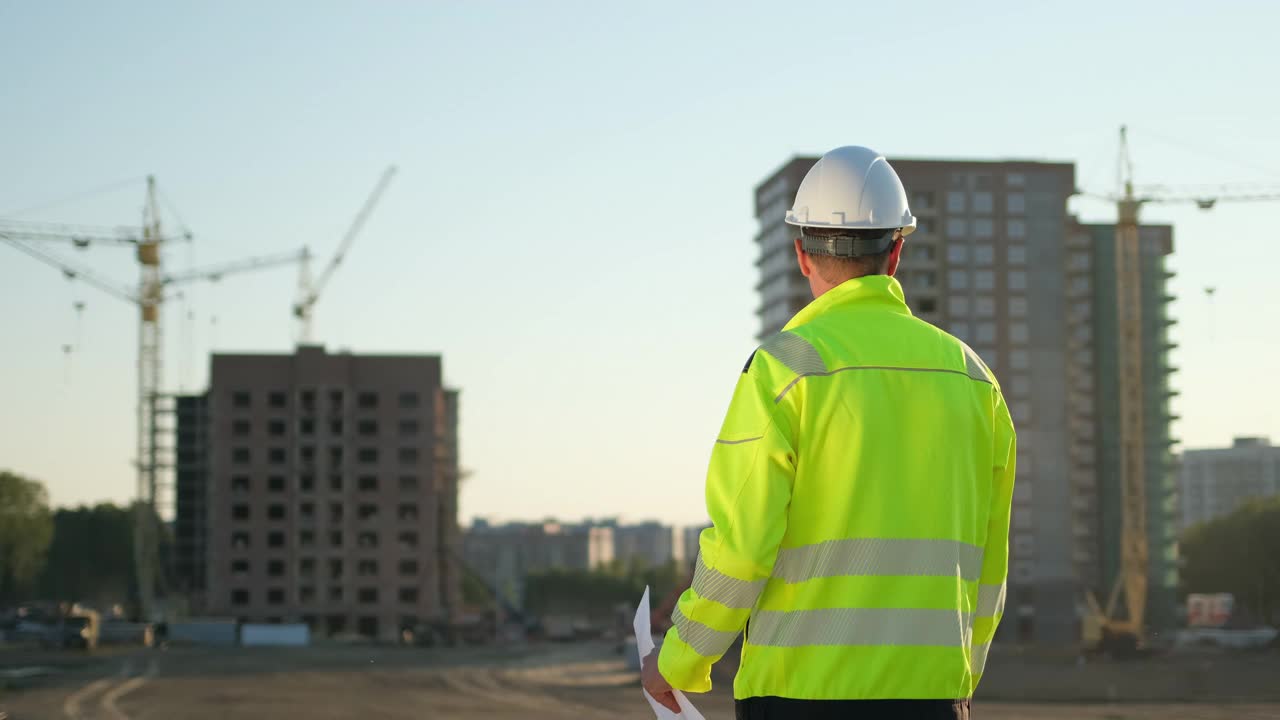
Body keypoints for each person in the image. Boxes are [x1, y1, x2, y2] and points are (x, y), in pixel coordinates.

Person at [642, 146, 1016, 719]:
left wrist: (680, 658)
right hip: (934, 697)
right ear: (896, 250)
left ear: (800, 254)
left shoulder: (784, 369)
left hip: (800, 696)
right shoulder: (973, 379)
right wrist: (961, 671)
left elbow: (741, 546)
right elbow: (990, 561)